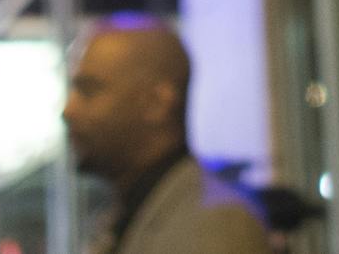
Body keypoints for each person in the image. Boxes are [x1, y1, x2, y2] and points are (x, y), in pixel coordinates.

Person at [61, 15, 268, 254]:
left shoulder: (215, 224)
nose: (68, 110)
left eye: (89, 90)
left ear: (157, 103)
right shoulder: (138, 210)